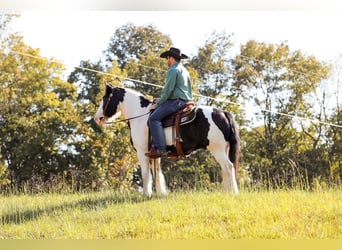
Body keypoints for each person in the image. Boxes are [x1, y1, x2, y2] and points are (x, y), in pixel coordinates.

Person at [145, 47, 193, 158]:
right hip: (186, 100)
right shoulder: (184, 70)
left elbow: (168, 90)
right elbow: (178, 90)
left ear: (171, 58)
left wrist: (157, 105)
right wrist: (160, 98)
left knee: (154, 118)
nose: (167, 61)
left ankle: (160, 149)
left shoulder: (173, 70)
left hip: (176, 102)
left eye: (167, 58)